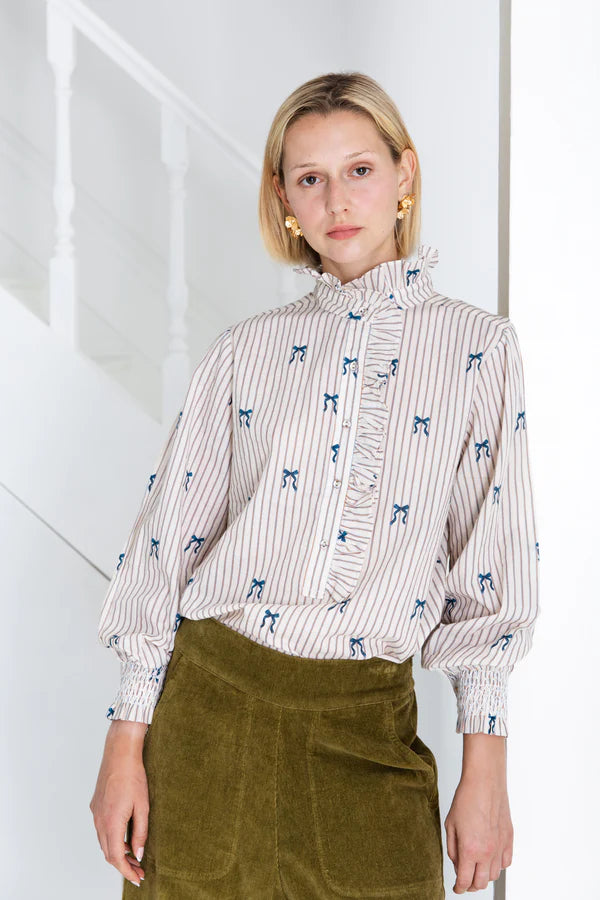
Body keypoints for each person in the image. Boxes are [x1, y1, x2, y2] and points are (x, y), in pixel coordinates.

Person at [89, 71, 540, 898]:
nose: (338, 200)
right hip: (210, 719)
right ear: (284, 197)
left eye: (359, 169)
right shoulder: (245, 351)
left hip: (366, 729)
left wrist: (487, 772)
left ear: (405, 172)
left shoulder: (479, 350)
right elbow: (164, 548)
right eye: (310, 178)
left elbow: (490, 578)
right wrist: (125, 745)